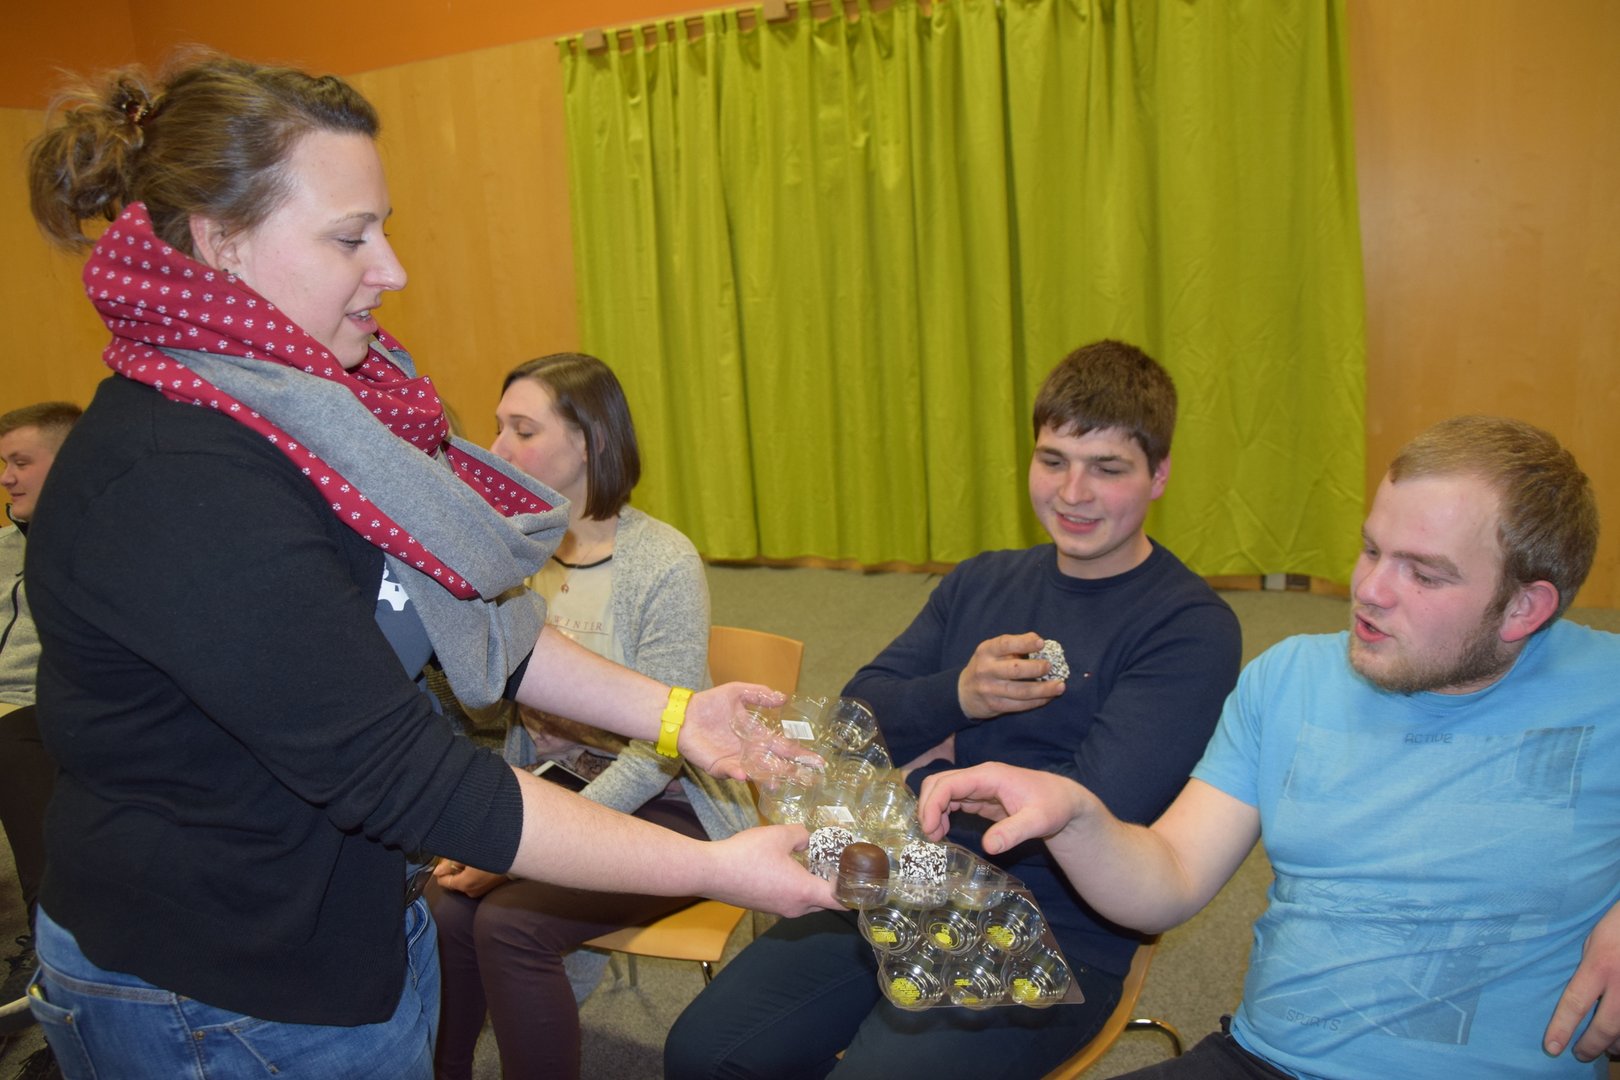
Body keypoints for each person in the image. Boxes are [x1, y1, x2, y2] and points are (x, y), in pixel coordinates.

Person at [22, 53, 833, 1080]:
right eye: (351, 236)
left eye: (385, 227)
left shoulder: (312, 416)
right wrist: (713, 866)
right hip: (220, 991)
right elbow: (404, 776)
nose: (393, 268)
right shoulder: (180, 478)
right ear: (221, 243)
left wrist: (680, 716)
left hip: (341, 927)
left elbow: (468, 618)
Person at [917, 414, 1620, 1079]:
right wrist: (1074, 814)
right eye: (1372, 550)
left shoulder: (1606, 690)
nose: (1369, 589)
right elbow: (1171, 875)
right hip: (1264, 1062)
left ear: (1524, 608)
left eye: (1424, 574)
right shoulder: (1291, 677)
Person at [665, 340, 1243, 1078]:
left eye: (1108, 468)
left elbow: (1093, 809)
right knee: (704, 1053)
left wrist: (928, 765)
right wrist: (959, 696)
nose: (1073, 492)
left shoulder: (1189, 627)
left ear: (1159, 475)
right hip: (909, 873)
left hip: (1056, 928)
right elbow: (855, 721)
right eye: (1054, 460)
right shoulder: (981, 581)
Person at [429, 352, 758, 1079]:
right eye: (498, 427)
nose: (497, 449)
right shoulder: (511, 552)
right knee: (447, 907)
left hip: (669, 800)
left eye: (523, 431)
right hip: (560, 784)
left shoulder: (663, 561)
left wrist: (526, 848)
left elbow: (664, 746)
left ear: (590, 442)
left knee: (512, 923)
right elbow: (489, 711)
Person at [0, 401, 80, 1013]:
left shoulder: (100, 539)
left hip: (41, 705)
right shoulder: (4, 547)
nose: (6, 478)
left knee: (11, 738)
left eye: (20, 462)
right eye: (4, 464)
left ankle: (51, 940)